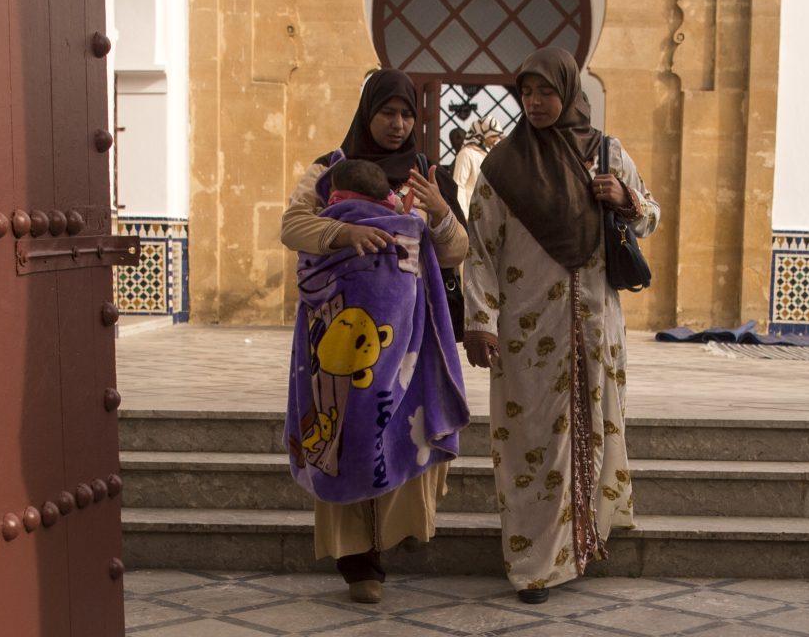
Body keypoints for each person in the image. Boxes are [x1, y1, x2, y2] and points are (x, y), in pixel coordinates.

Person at [458, 49, 658, 603]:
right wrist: (480, 320)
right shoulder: (502, 168)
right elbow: (481, 249)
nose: (537, 102)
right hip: (528, 327)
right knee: (533, 439)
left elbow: (652, 216)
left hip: (596, 322)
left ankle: (584, 543)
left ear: (569, 92)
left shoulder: (608, 153)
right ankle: (535, 565)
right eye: (527, 93)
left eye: (546, 91)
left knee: (591, 428)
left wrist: (627, 198)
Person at [279, 73, 472, 603]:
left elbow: (456, 252)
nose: (398, 124)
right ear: (368, 113)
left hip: (410, 340)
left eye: (407, 115)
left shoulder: (428, 176)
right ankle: (358, 561)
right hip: (337, 339)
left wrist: (439, 212)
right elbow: (293, 225)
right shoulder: (330, 167)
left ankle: (388, 537)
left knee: (400, 433)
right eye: (387, 113)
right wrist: (345, 231)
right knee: (343, 437)